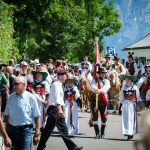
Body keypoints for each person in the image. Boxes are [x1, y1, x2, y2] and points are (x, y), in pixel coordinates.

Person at [37, 69, 83, 150]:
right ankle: (40, 147)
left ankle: (72, 147)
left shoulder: (58, 84)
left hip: (57, 109)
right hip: (55, 109)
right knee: (48, 130)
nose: (66, 77)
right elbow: (58, 97)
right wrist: (59, 109)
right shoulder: (56, 84)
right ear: (61, 76)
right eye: (65, 76)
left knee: (63, 130)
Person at [4, 76, 41, 150]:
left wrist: (37, 133)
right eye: (13, 83)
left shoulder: (31, 98)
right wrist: (6, 134)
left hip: (26, 131)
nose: (14, 86)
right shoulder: (10, 98)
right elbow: (7, 116)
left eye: (16, 84)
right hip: (13, 130)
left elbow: (37, 116)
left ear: (24, 85)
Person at [119, 73, 141, 140]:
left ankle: (131, 133)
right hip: (125, 104)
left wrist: (139, 104)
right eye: (126, 79)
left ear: (131, 80)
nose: (127, 80)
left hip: (132, 105)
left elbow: (138, 97)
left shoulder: (135, 88)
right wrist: (120, 106)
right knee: (126, 119)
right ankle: (127, 132)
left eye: (128, 79)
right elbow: (121, 97)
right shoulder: (123, 88)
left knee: (131, 119)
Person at [90, 67, 110, 138]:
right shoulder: (94, 79)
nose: (103, 74)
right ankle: (97, 133)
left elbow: (107, 87)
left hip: (103, 100)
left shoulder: (107, 81)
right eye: (101, 73)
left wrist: (100, 90)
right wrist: (96, 90)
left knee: (103, 117)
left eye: (104, 73)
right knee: (95, 117)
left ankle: (102, 132)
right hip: (95, 100)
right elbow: (92, 87)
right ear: (99, 73)